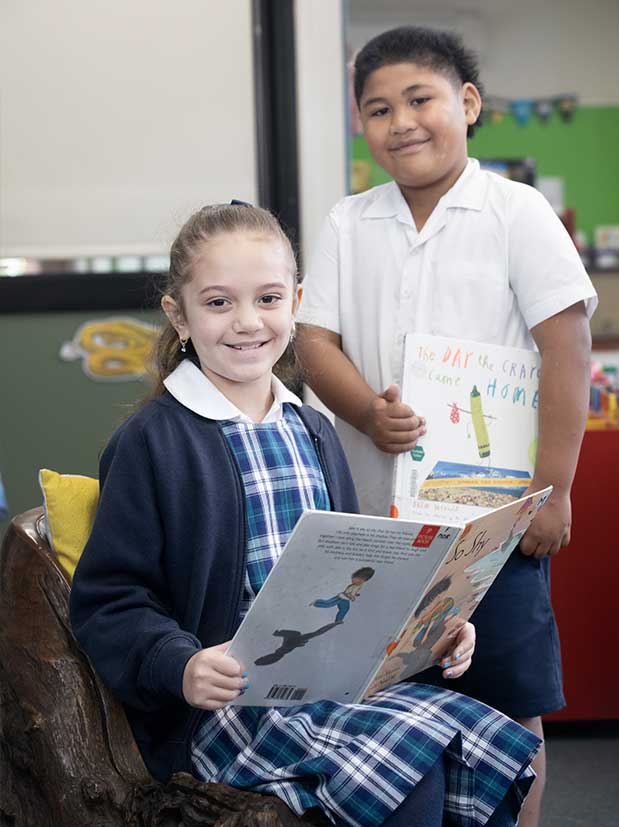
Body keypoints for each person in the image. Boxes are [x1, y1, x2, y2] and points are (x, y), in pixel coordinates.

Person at [70, 203, 541, 827]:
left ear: (296, 302)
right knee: (409, 779)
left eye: (268, 299)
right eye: (217, 303)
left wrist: (433, 629)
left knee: (454, 757)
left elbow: (363, 580)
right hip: (224, 711)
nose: (246, 322)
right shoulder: (152, 443)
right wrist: (179, 664)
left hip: (327, 688)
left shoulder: (314, 431)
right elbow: (110, 600)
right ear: (178, 314)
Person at [295, 26, 597, 827]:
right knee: (387, 713)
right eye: (378, 108)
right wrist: (365, 410)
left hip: (489, 528)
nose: (401, 122)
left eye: (419, 99)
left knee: (510, 710)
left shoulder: (515, 212)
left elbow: (566, 348)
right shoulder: (347, 223)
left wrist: (555, 488)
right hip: (376, 527)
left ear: (466, 104)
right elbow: (312, 340)